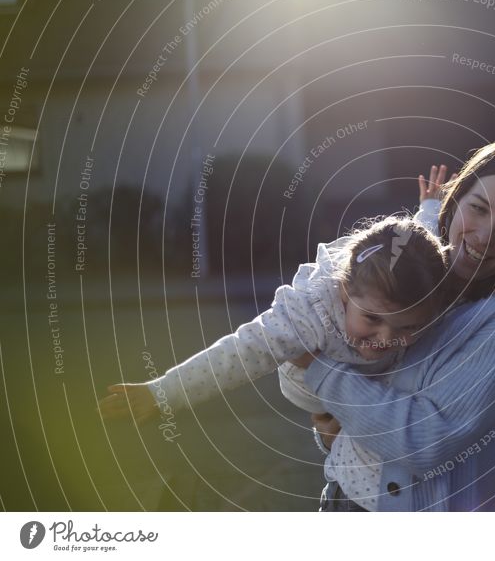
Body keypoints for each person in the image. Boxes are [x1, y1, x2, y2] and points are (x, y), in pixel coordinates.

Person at [300, 137, 495, 511]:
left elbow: (423, 442)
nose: (485, 238)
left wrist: (322, 373)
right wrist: (332, 427)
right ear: (454, 202)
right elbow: (358, 410)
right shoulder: (415, 289)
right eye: (479, 208)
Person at [98, 214, 453, 510]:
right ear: (344, 291)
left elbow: (418, 244)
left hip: (370, 403)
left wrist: (430, 205)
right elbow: (238, 353)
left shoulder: (412, 287)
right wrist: (162, 393)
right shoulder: (305, 316)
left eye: (407, 327)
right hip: (311, 388)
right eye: (372, 320)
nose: (386, 339)